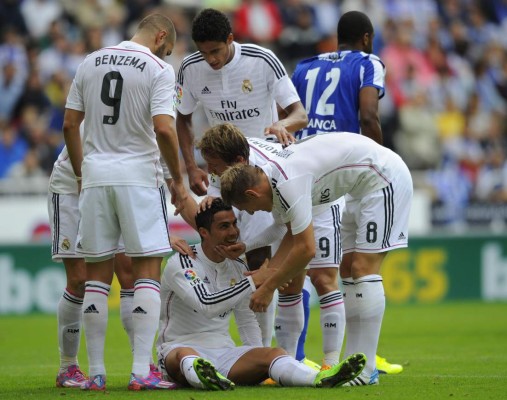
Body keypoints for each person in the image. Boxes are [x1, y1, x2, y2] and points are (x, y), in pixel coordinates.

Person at [220, 132, 413, 386]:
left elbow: (305, 250)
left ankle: (366, 369)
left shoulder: (289, 182)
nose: (252, 213)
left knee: (363, 268)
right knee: (349, 269)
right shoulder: (272, 177)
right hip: (360, 188)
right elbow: (285, 230)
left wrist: (268, 287)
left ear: (252, 194)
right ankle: (357, 362)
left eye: (247, 208)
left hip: (383, 177)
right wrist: (248, 245)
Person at [62, 13, 187, 391]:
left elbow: (69, 124)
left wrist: (83, 173)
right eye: (167, 48)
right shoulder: (158, 69)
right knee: (146, 270)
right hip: (137, 176)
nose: (166, 54)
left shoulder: (90, 60)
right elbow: (165, 127)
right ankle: (140, 371)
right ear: (161, 36)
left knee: (97, 278)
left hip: (96, 175)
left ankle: (96, 373)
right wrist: (177, 179)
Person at [175, 7, 307, 343]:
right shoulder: (190, 69)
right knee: (232, 252)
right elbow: (182, 118)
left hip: (261, 173)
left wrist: (281, 125)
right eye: (203, 52)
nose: (211, 60)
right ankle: (255, 347)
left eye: (216, 51)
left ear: (231, 40)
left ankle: (268, 351)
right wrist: (191, 166)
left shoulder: (262, 59)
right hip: (220, 173)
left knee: (262, 258)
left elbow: (299, 113)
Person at [291, 10, 402, 375]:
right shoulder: (369, 62)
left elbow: (289, 114)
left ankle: (293, 355)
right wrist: (381, 161)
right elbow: (369, 115)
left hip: (303, 169)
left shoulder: (305, 65)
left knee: (306, 267)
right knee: (349, 269)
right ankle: (360, 356)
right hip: (345, 170)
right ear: (367, 38)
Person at [156, 197, 366, 390]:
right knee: (186, 355)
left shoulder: (237, 265)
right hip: (178, 348)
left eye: (234, 224)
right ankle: (205, 378)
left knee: (274, 353)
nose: (233, 232)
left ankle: (319, 378)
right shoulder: (183, 261)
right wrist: (252, 280)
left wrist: (255, 354)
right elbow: (207, 305)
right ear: (203, 232)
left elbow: (246, 319)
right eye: (223, 226)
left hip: (224, 352)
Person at [196, 123, 345, 369]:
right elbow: (278, 226)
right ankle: (284, 361)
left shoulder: (265, 180)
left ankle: (329, 363)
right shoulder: (243, 168)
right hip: (295, 204)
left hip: (321, 203)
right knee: (289, 286)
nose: (211, 172)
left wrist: (254, 259)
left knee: (322, 279)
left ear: (239, 161)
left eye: (215, 168)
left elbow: (277, 230)